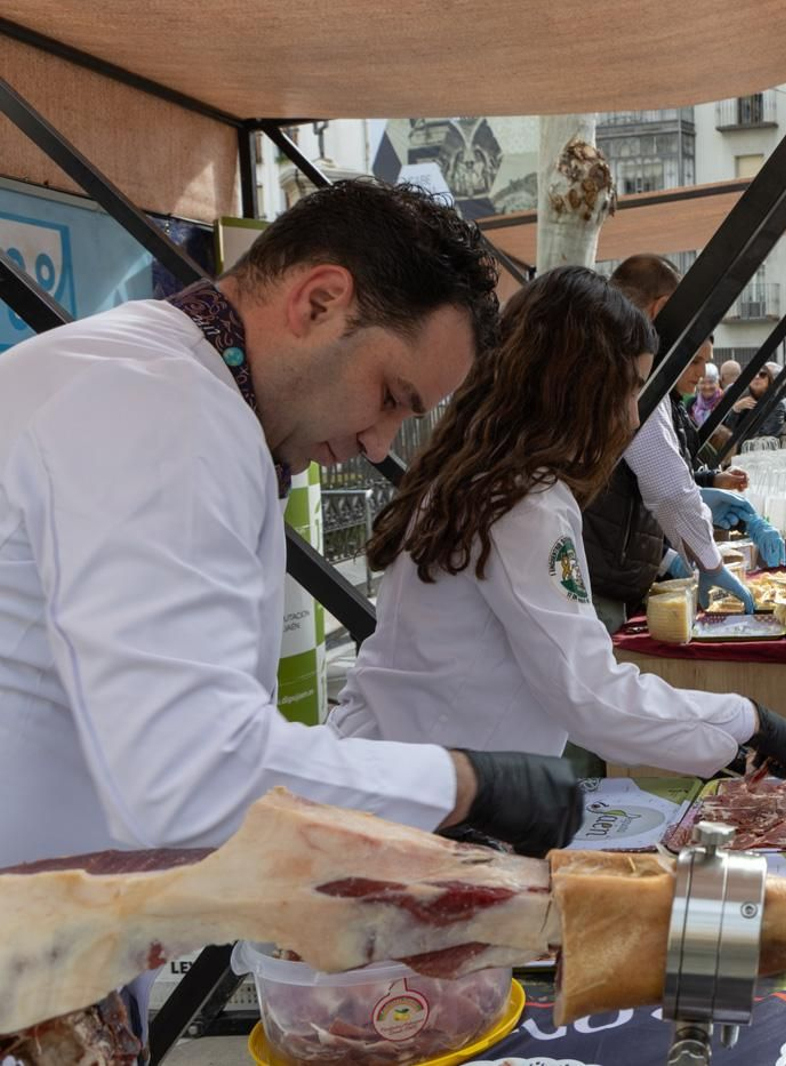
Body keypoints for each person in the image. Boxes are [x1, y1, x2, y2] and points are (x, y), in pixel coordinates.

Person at [0, 179, 586, 874]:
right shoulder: (166, 406)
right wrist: (463, 785)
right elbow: (188, 766)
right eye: (390, 396)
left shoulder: (170, 385)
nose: (377, 444)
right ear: (319, 303)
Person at [329, 267, 786, 782]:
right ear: (577, 387)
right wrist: (745, 720)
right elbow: (592, 697)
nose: (630, 417)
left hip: (397, 768)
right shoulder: (521, 503)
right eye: (628, 390)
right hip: (424, 789)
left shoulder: (472, 474)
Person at [582, 254, 755, 635]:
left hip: (590, 564)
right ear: (662, 309)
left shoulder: (587, 345)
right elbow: (664, 479)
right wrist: (709, 562)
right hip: (594, 576)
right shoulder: (622, 356)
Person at [724, 361, 786, 442]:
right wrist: (735, 410)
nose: (757, 377)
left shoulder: (776, 404)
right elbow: (727, 432)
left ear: (769, 380)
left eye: (762, 375)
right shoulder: (742, 401)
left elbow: (767, 436)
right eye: (753, 374)